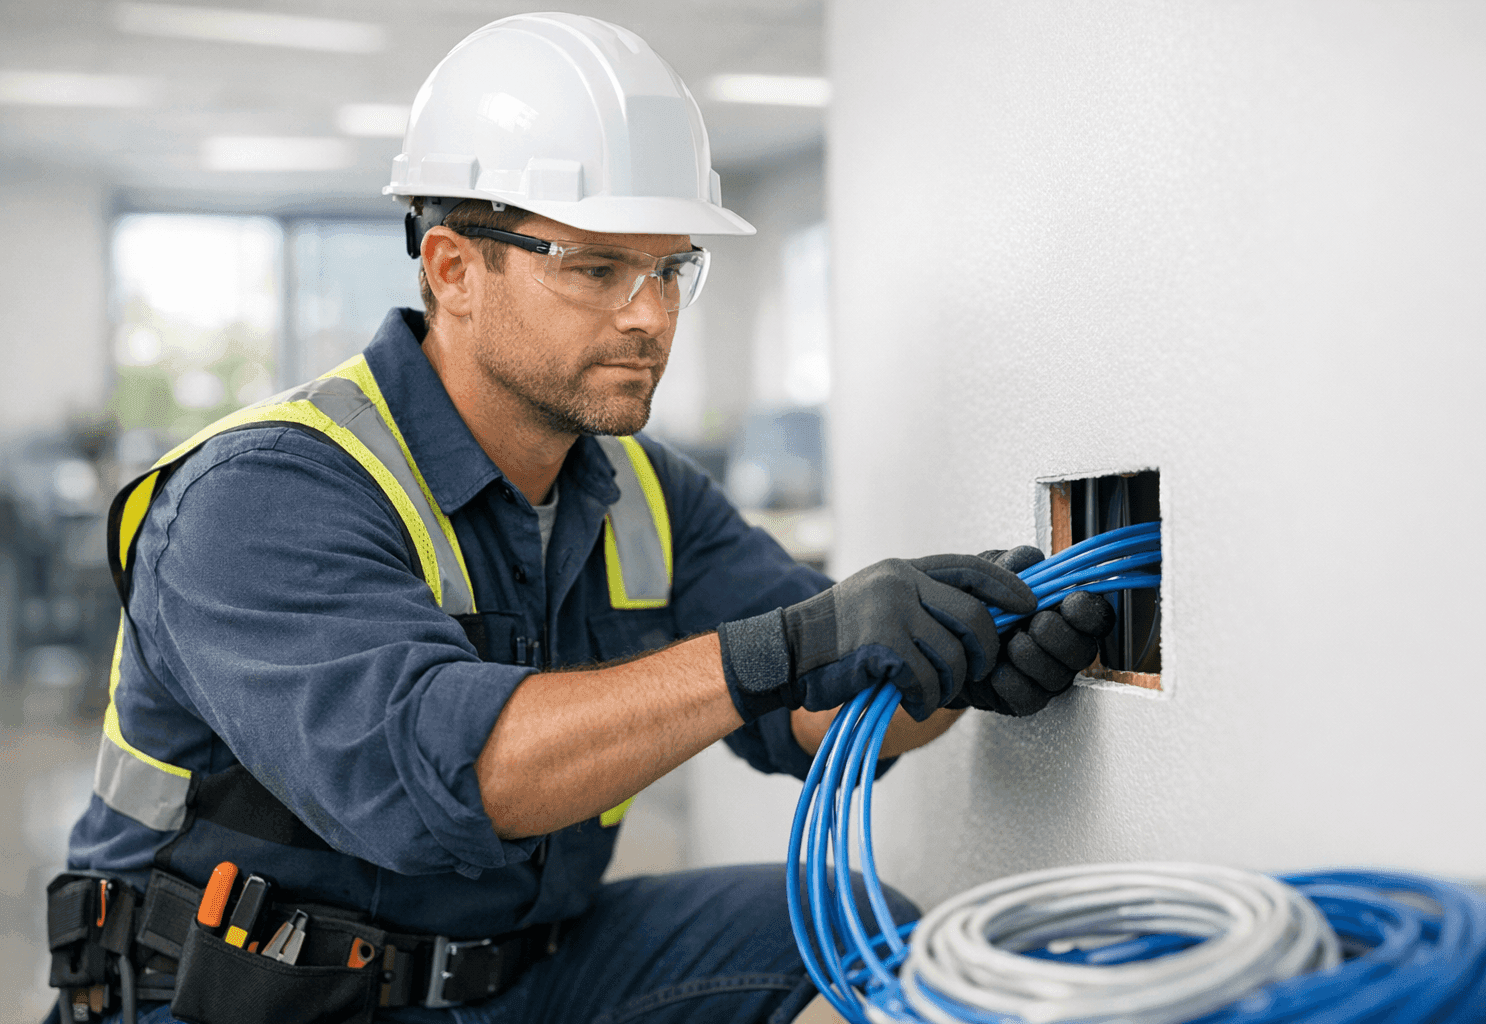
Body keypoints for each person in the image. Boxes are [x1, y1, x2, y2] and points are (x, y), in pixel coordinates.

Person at [49, 13, 1112, 1024]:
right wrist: (781, 646)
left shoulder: (645, 492)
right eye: (598, 268)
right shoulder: (262, 494)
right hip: (250, 995)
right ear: (454, 270)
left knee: (859, 930)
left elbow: (817, 708)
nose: (651, 315)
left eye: (669, 269)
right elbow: (447, 777)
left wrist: (956, 662)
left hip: (518, 971)